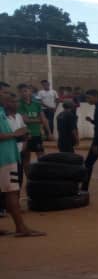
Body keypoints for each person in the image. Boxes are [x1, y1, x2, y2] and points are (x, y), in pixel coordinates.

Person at [0, 87, 44, 237]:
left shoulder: (7, 115)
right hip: (6, 158)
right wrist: (15, 134)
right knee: (12, 192)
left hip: (10, 156)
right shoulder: (1, 114)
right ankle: (21, 227)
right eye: (7, 96)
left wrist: (22, 136)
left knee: (10, 191)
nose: (15, 102)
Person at [17, 83, 49, 176]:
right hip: (26, 135)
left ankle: (42, 175)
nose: (24, 93)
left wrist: (49, 132)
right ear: (19, 93)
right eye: (22, 91)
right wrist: (39, 120)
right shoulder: (19, 104)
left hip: (37, 134)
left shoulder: (37, 103)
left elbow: (44, 119)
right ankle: (29, 177)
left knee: (41, 156)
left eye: (26, 91)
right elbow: (25, 120)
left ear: (30, 91)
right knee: (26, 158)